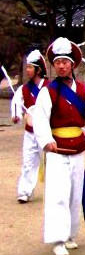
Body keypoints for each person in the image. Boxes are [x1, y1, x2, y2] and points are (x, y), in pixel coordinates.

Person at [32, 37, 85, 255]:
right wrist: (45, 139)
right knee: (57, 195)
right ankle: (57, 240)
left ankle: (69, 235)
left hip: (78, 149)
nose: (61, 65)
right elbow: (39, 119)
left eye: (65, 62)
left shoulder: (84, 91)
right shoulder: (47, 92)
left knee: (74, 194)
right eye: (57, 62)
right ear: (54, 65)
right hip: (57, 150)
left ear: (72, 65)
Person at [11, 49, 48, 203]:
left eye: (30, 67)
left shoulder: (51, 87)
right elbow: (16, 105)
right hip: (30, 133)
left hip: (47, 133)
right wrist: (17, 116)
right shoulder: (23, 89)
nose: (27, 70)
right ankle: (25, 191)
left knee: (52, 163)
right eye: (26, 67)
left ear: (38, 69)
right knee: (28, 162)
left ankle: (57, 191)